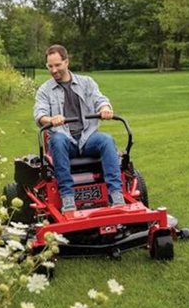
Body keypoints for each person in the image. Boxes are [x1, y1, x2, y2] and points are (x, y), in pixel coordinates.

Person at [34, 44, 124, 213]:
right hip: (64, 141)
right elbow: (39, 115)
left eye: (57, 65)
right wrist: (51, 119)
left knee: (106, 139)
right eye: (50, 66)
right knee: (58, 139)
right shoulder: (45, 90)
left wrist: (104, 108)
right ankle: (68, 197)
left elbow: (100, 99)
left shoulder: (86, 82)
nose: (53, 70)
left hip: (87, 138)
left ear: (66, 62)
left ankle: (116, 193)